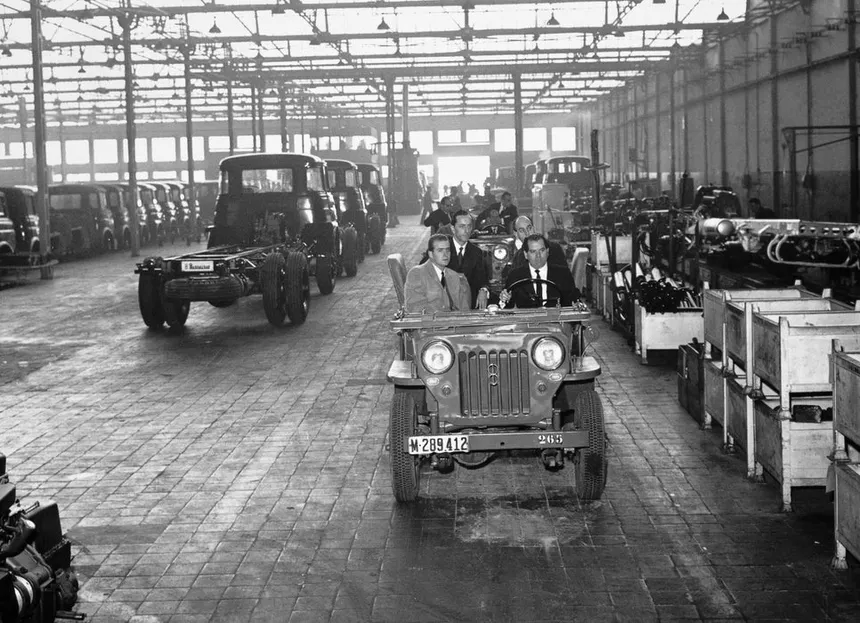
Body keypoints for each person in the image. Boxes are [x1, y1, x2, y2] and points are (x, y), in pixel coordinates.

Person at [499, 234, 581, 309]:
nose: (538, 256)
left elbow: (573, 303)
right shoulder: (515, 275)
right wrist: (505, 299)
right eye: (533, 252)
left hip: (556, 321)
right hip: (526, 322)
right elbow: (506, 307)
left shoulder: (563, 274)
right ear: (526, 255)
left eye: (542, 250)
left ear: (547, 252)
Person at [404, 234, 471, 313]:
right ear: (431, 254)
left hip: (455, 322)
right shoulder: (417, 273)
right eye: (440, 250)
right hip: (430, 323)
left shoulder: (454, 275)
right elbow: (415, 307)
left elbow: (464, 309)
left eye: (447, 250)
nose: (445, 255)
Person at [448, 210, 490, 309]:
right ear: (453, 229)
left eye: (469, 226)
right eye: (462, 226)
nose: (466, 231)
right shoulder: (442, 248)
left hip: (469, 304)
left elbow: (483, 280)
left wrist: (483, 290)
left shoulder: (477, 252)